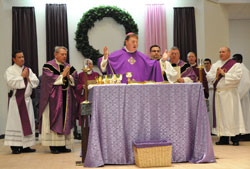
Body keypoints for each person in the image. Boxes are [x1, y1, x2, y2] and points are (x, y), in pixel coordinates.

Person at [39, 46, 78, 154]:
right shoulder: (48, 66)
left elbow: (76, 78)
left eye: (65, 54)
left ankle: (63, 145)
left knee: (66, 120)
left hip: (67, 99)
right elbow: (48, 81)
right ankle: (53, 145)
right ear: (55, 54)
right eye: (62, 54)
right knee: (55, 119)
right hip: (54, 100)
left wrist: (69, 77)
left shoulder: (68, 66)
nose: (64, 56)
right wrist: (63, 75)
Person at [206, 47, 246, 146]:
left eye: (223, 52)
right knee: (221, 117)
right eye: (220, 52)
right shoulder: (215, 65)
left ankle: (235, 138)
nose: (221, 53)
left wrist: (224, 74)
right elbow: (208, 77)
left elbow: (237, 78)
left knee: (232, 116)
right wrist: (216, 74)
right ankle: (223, 138)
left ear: (229, 53)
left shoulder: (235, 65)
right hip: (219, 95)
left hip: (230, 94)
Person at [4, 50, 39, 154]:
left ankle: (26, 145)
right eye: (19, 57)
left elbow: (36, 81)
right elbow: (10, 83)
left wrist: (27, 77)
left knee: (28, 123)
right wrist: (22, 77)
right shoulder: (10, 70)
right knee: (16, 124)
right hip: (16, 101)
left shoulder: (28, 70)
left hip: (27, 101)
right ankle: (15, 146)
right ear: (14, 59)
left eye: (23, 57)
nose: (22, 59)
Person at [98, 33, 168, 83]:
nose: (135, 44)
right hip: (122, 90)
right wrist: (105, 58)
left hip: (139, 90)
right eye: (133, 41)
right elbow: (104, 68)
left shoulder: (142, 56)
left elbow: (154, 65)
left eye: (136, 42)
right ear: (126, 42)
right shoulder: (117, 55)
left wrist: (162, 60)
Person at [76, 58, 100, 123]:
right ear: (84, 65)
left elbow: (100, 84)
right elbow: (77, 86)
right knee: (85, 119)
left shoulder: (96, 74)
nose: (89, 65)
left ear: (92, 65)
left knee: (94, 117)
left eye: (90, 64)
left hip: (94, 98)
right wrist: (82, 86)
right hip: (84, 98)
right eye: (87, 64)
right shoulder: (81, 75)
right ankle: (85, 131)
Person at [233, 54, 250, 141]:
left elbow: (246, 83)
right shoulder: (238, 68)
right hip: (238, 96)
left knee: (244, 116)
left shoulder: (243, 69)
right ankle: (240, 134)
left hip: (242, 97)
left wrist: (238, 95)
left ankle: (245, 135)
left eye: (234, 59)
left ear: (239, 60)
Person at [203, 58, 214, 130]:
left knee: (212, 110)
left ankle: (213, 128)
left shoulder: (213, 72)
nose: (206, 65)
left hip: (212, 91)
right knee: (207, 111)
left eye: (207, 63)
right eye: (205, 63)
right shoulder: (203, 72)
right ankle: (208, 128)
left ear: (210, 64)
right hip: (205, 92)